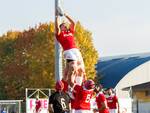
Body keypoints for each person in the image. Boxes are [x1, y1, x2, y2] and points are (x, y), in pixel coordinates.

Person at [56, 12, 85, 86]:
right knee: (73, 68)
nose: (65, 26)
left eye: (65, 25)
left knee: (81, 70)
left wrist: (65, 15)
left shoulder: (70, 31)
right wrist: (57, 18)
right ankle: (71, 86)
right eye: (63, 25)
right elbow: (56, 27)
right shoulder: (60, 34)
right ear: (60, 28)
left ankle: (78, 86)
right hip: (68, 51)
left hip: (76, 50)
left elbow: (73, 23)